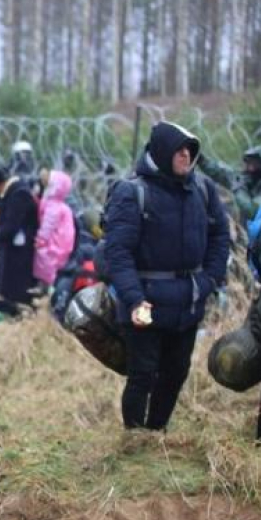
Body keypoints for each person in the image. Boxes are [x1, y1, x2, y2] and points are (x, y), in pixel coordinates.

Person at [103, 122, 229, 432]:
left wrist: (209, 280)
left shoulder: (203, 189)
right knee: (143, 373)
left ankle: (156, 431)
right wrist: (134, 299)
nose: (186, 155)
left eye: (191, 149)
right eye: (179, 149)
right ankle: (135, 435)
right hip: (144, 301)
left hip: (189, 299)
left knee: (176, 372)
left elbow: (220, 235)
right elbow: (118, 253)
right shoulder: (132, 192)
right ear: (162, 151)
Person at [0, 161, 38, 315]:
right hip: (13, 251)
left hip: (19, 254)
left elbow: (11, 226)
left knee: (15, 292)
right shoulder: (12, 192)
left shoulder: (18, 194)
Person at [33, 170, 77, 290]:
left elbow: (48, 225)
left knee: (45, 262)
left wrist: (40, 240)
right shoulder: (60, 205)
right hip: (61, 244)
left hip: (53, 243)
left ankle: (45, 288)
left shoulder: (53, 206)